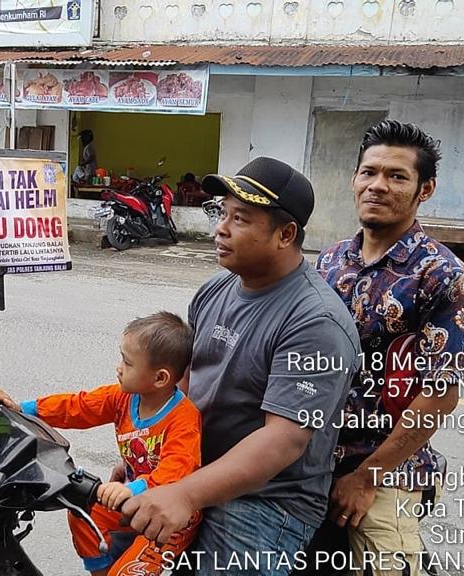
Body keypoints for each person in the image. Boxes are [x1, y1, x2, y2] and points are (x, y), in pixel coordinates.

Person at [121, 157, 361, 576]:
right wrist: (153, 453)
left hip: (267, 501)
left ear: (285, 234)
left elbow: (283, 442)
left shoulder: (315, 323)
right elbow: (186, 385)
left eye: (240, 218)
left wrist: (184, 494)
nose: (221, 228)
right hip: (196, 473)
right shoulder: (216, 290)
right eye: (222, 213)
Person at [308, 120, 464, 576]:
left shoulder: (444, 278)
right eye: (369, 172)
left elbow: (439, 394)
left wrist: (368, 477)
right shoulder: (331, 261)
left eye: (397, 176)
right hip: (311, 461)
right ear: (354, 179)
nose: (378, 185)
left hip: (386, 472)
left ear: (424, 189)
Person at [0, 311, 202, 576]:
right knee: (83, 510)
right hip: (133, 500)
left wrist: (133, 488)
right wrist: (24, 409)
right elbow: (79, 405)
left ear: (160, 378)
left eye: (128, 362)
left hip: (169, 518)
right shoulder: (123, 398)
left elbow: (178, 468)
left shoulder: (184, 417)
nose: (118, 367)